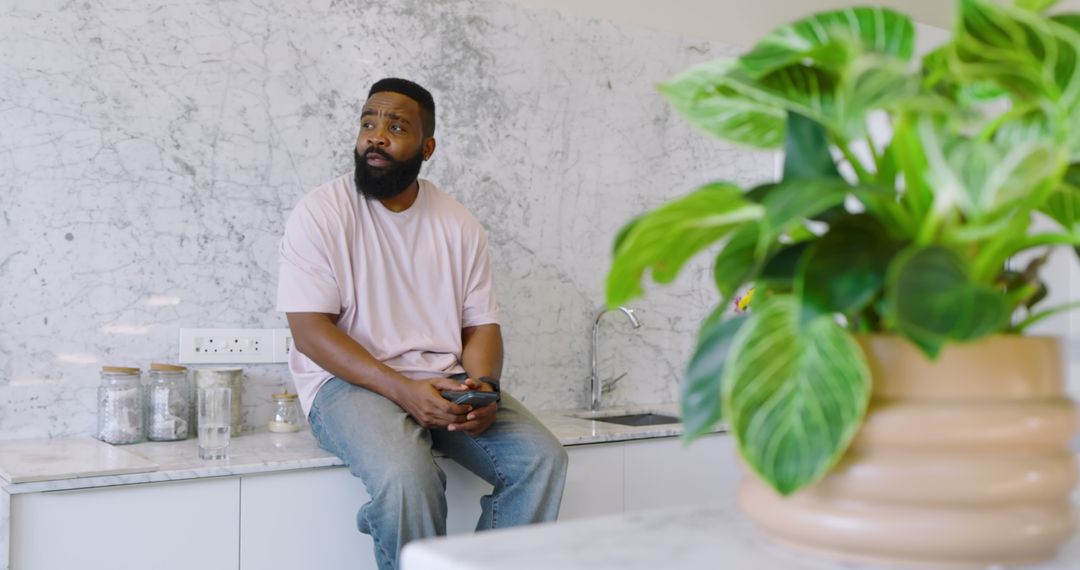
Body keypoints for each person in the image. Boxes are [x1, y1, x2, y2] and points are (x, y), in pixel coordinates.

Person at [275, 77, 568, 570]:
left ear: (427, 146)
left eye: (396, 126)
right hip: (348, 383)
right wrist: (402, 390)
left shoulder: (459, 225)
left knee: (540, 461)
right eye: (368, 123)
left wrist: (485, 389)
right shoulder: (321, 212)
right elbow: (309, 331)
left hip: (445, 380)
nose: (376, 135)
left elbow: (480, 327)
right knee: (407, 475)